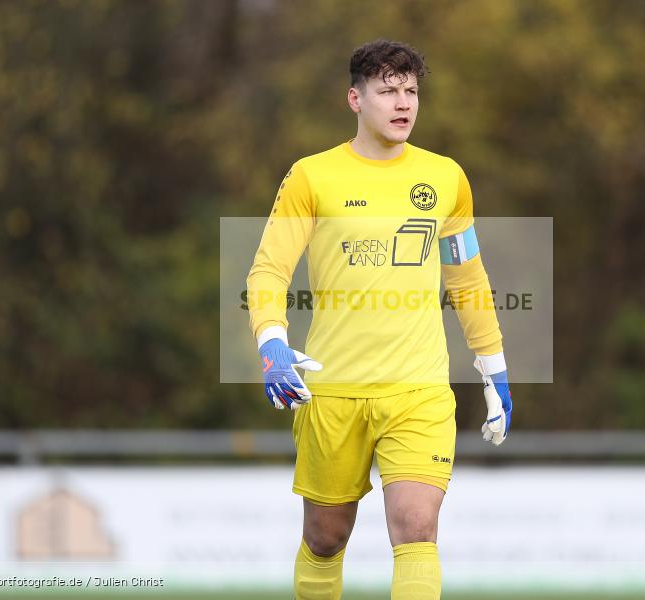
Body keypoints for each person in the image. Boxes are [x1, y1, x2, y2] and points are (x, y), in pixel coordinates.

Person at [246, 39, 512, 600]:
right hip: (333, 390)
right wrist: (272, 341)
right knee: (325, 537)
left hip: (418, 390)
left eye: (411, 90)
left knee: (416, 526)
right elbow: (268, 271)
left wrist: (493, 367)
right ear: (354, 98)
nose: (402, 103)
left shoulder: (445, 179)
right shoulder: (311, 177)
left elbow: (466, 279)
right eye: (387, 90)